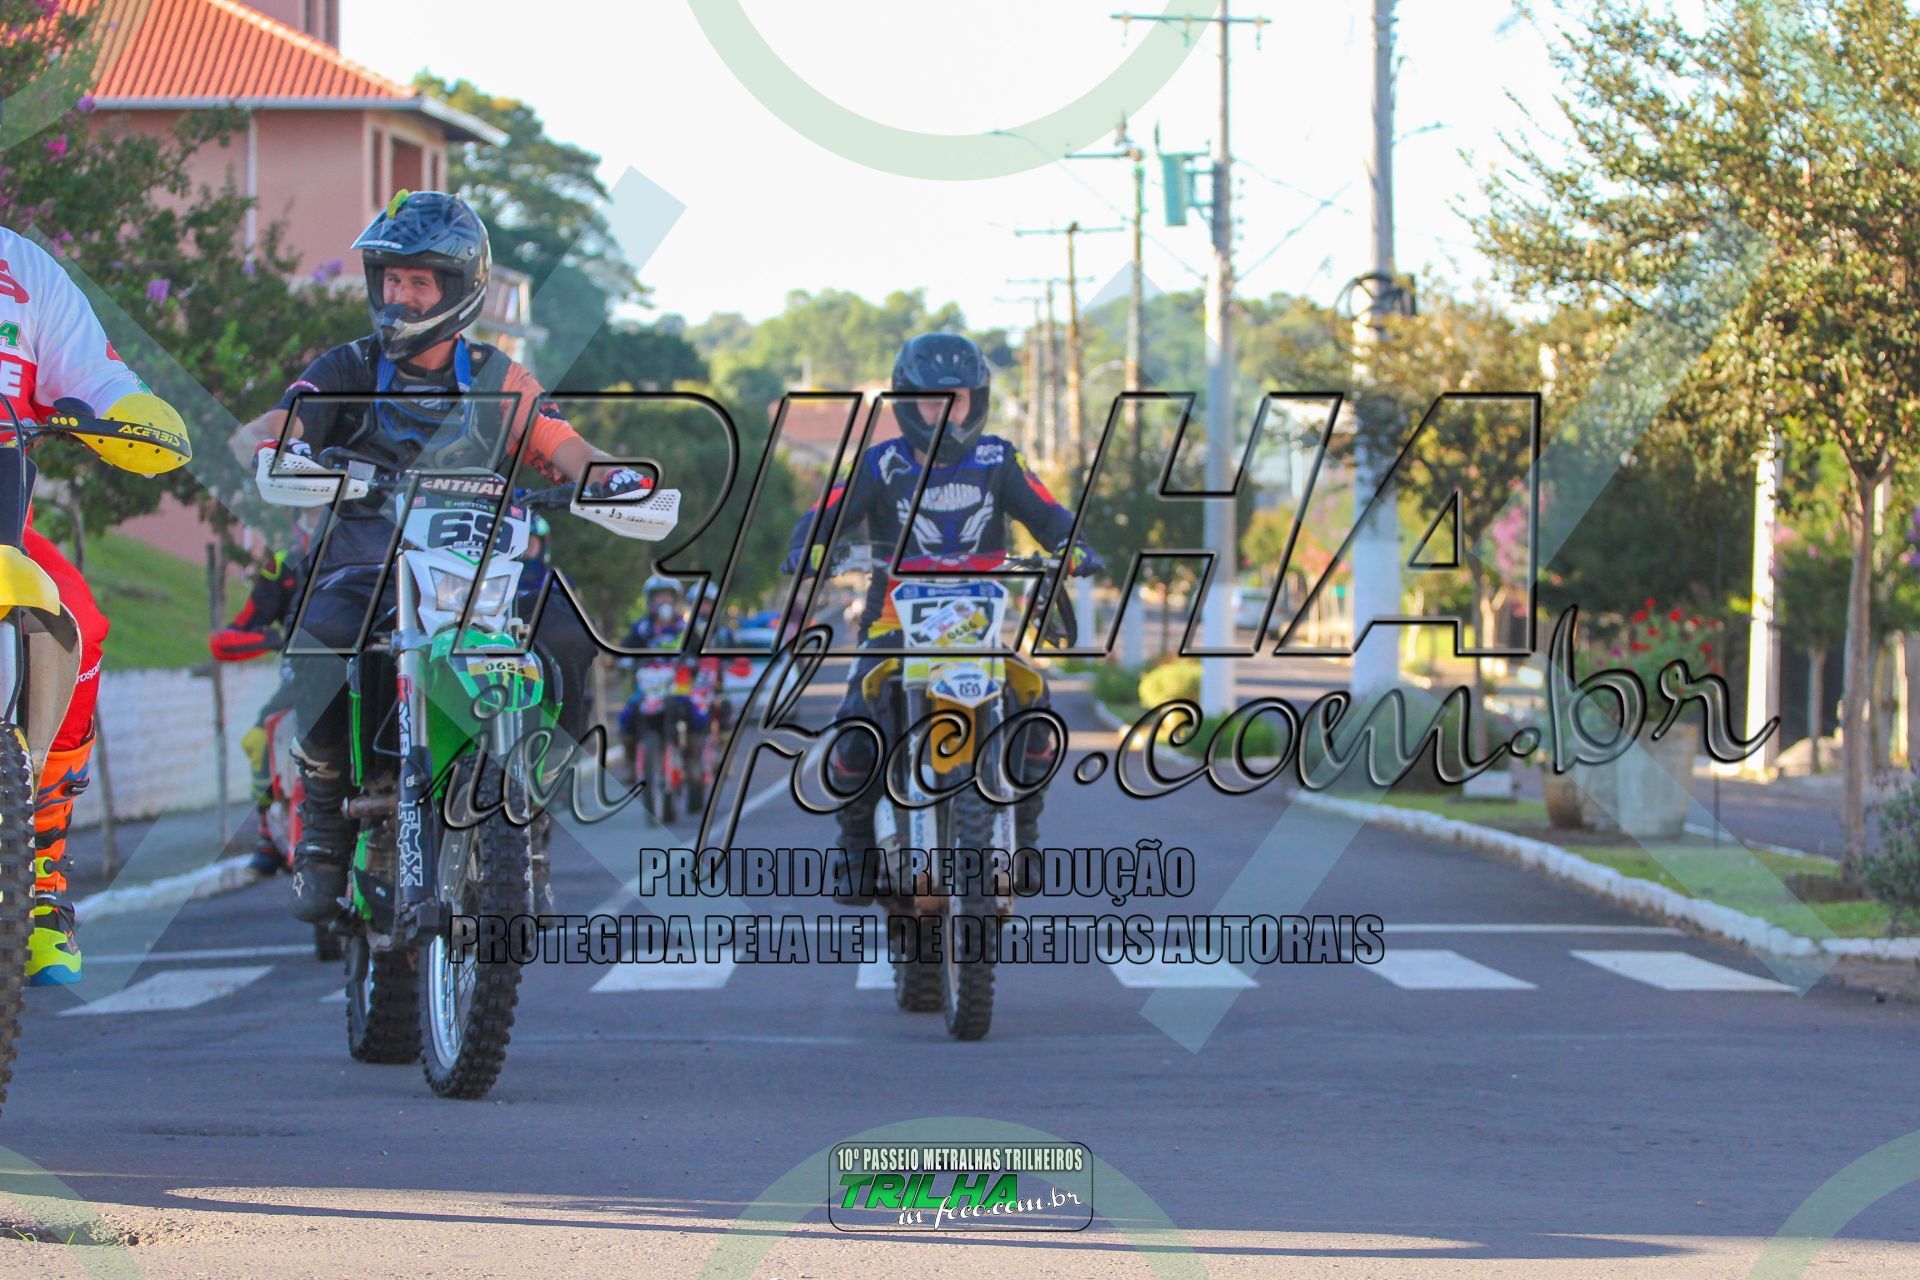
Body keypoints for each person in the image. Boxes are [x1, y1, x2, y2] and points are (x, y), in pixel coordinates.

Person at [227, 190, 654, 923]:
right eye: (391, 278)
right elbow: (281, 420)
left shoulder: (498, 376)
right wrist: (274, 443)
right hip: (366, 564)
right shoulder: (350, 365)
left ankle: (534, 795)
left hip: (479, 570)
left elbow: (564, 445)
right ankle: (325, 822)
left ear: (459, 289)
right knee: (322, 640)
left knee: (565, 631)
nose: (400, 295)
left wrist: (613, 478)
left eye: (419, 281)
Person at [780, 332, 1100, 900]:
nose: (945, 412)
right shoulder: (880, 463)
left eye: (957, 399)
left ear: (977, 400)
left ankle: (1024, 836)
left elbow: (1048, 511)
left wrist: (1071, 545)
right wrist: (807, 545)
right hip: (892, 627)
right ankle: (855, 850)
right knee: (855, 725)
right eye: (931, 401)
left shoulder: (998, 459)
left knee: (1035, 706)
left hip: (978, 627)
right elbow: (825, 511)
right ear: (907, 403)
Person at [0, 225, 192, 985]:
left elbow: (95, 376)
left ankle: (39, 869)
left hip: (3, 520)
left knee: (76, 617)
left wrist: (132, 410)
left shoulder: (23, 267)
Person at [209, 541, 304, 876]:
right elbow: (232, 635)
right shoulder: (284, 565)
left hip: (376, 667)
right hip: (304, 678)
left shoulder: (379, 544)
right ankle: (268, 835)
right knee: (258, 739)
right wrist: (274, 640)